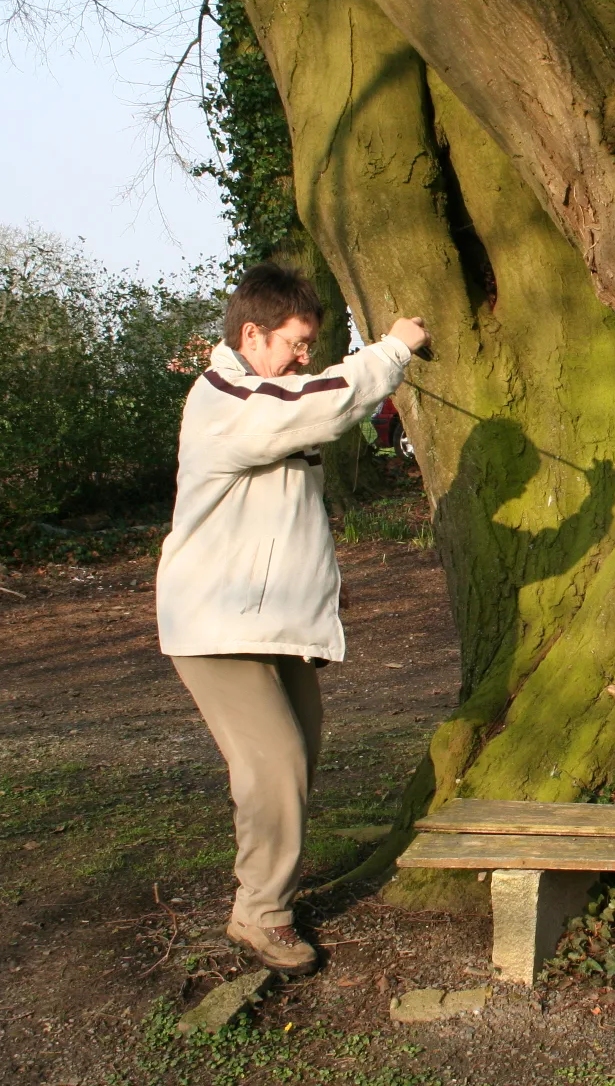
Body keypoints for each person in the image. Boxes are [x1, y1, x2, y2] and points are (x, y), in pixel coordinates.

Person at [156, 262, 430, 973]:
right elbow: (321, 405)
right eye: (296, 341)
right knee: (272, 762)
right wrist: (391, 350)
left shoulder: (263, 390)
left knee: (295, 760)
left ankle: (266, 891)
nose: (305, 356)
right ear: (252, 333)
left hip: (273, 622)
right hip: (217, 623)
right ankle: (261, 915)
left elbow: (291, 501)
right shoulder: (224, 399)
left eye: (310, 343)